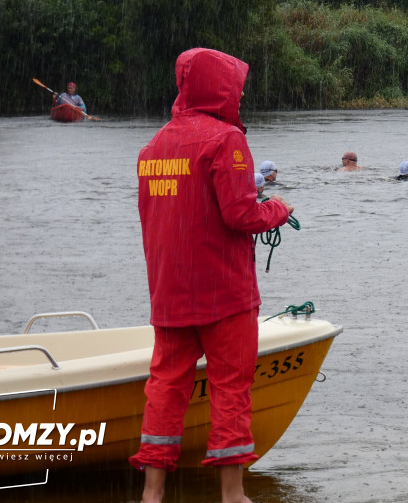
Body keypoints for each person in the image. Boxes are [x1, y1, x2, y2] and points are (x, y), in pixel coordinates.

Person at [130, 47, 293, 503]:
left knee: (164, 388)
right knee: (230, 388)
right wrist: (278, 209)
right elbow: (241, 214)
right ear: (221, 88)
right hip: (224, 293)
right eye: (236, 87)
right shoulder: (226, 140)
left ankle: (152, 493)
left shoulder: (152, 148)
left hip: (170, 293)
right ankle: (233, 494)